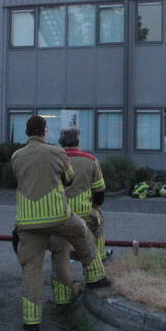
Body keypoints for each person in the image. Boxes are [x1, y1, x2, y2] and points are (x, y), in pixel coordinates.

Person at [12, 115, 109, 331]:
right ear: (45, 130)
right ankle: (96, 276)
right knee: (82, 233)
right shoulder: (57, 153)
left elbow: (18, 179)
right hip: (56, 215)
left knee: (32, 268)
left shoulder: (16, 156)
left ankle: (31, 320)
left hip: (27, 219)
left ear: (26, 132)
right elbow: (69, 178)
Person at [53, 126, 108, 303]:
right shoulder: (90, 160)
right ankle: (98, 267)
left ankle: (61, 298)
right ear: (78, 140)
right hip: (85, 214)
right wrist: (95, 206)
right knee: (96, 234)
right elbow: (99, 191)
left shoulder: (54, 159)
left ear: (61, 141)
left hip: (59, 213)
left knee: (60, 255)